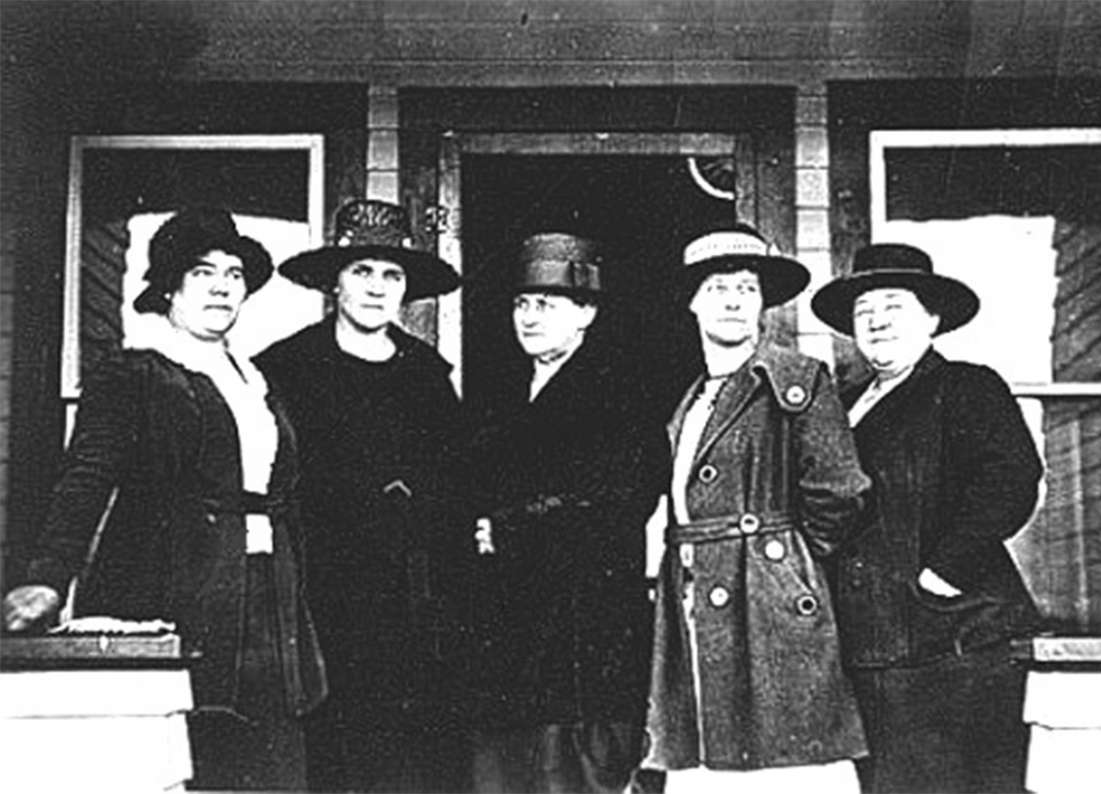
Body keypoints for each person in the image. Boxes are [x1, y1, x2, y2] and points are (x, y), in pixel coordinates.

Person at [1, 207, 327, 790]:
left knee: (270, 762)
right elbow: (85, 477)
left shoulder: (256, 381)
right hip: (173, 587)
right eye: (204, 272)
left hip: (266, 600)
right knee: (181, 759)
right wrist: (49, 577)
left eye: (234, 274)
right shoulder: (137, 374)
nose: (224, 285)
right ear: (170, 286)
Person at [641, 224, 871, 793]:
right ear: (693, 302)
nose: (733, 301)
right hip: (695, 600)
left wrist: (783, 565)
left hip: (769, 604)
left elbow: (841, 490)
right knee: (706, 760)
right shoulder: (691, 399)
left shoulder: (793, 378)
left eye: (746, 288)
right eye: (718, 288)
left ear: (764, 303)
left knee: (785, 766)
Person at [810, 242, 1045, 793]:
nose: (876, 320)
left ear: (931, 318)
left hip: (958, 644)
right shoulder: (841, 405)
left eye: (893, 305)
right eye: (864, 310)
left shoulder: (964, 386)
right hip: (871, 647)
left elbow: (1010, 480)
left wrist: (940, 574)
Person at [253, 199, 469, 793]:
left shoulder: (427, 373)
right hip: (317, 602)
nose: (377, 288)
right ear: (335, 282)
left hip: (409, 608)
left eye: (392, 274)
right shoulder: (286, 369)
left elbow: (452, 491)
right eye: (362, 271)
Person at [465, 232, 669, 794]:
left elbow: (620, 504)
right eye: (521, 304)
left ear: (585, 313)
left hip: (585, 643)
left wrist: (504, 527)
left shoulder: (622, 394)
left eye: (547, 305)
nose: (530, 318)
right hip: (511, 642)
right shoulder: (502, 393)